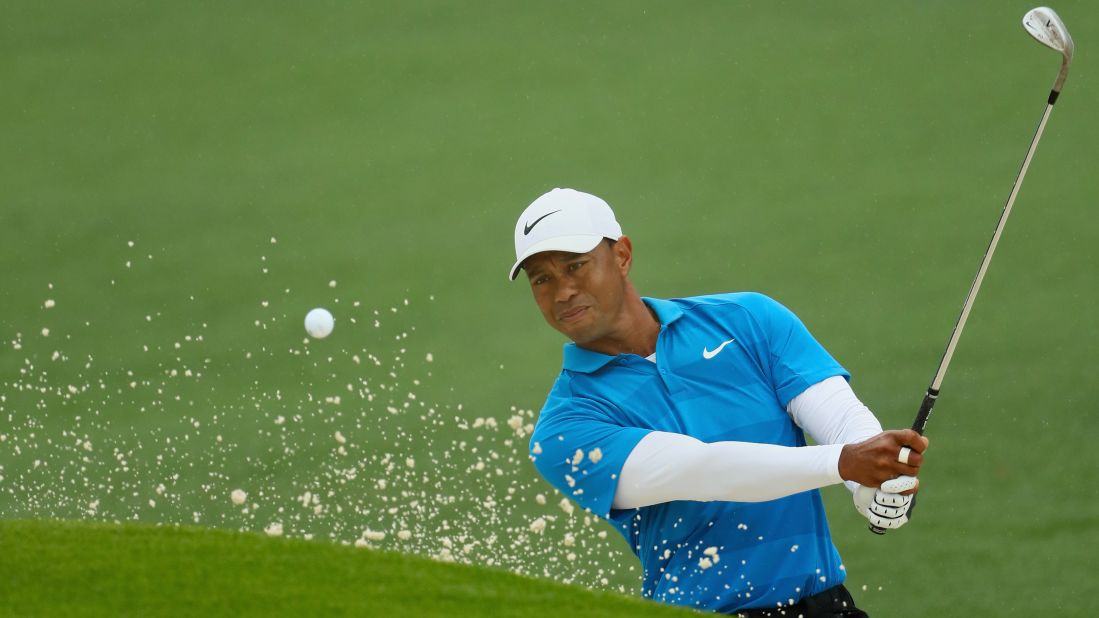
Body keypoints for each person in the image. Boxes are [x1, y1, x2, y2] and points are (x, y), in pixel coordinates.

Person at [510, 188, 929, 617]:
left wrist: (873, 482)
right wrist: (843, 465)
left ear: (621, 255)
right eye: (542, 279)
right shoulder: (565, 427)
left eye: (576, 266)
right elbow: (703, 471)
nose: (562, 292)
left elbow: (841, 418)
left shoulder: (748, 320)